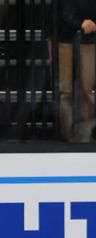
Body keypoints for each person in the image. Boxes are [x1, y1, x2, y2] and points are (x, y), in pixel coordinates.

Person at [50, 0, 96, 142]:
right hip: (63, 36)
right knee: (66, 90)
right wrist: (80, 22)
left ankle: (82, 136)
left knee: (84, 89)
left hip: (87, 35)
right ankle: (68, 135)